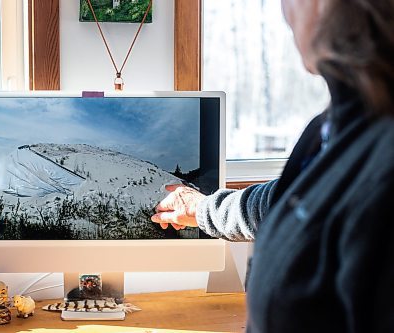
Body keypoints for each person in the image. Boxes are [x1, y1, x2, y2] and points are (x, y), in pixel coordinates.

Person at [152, 0, 394, 332]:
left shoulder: (381, 164)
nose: (284, 12)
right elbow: (279, 202)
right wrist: (202, 207)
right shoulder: (334, 127)